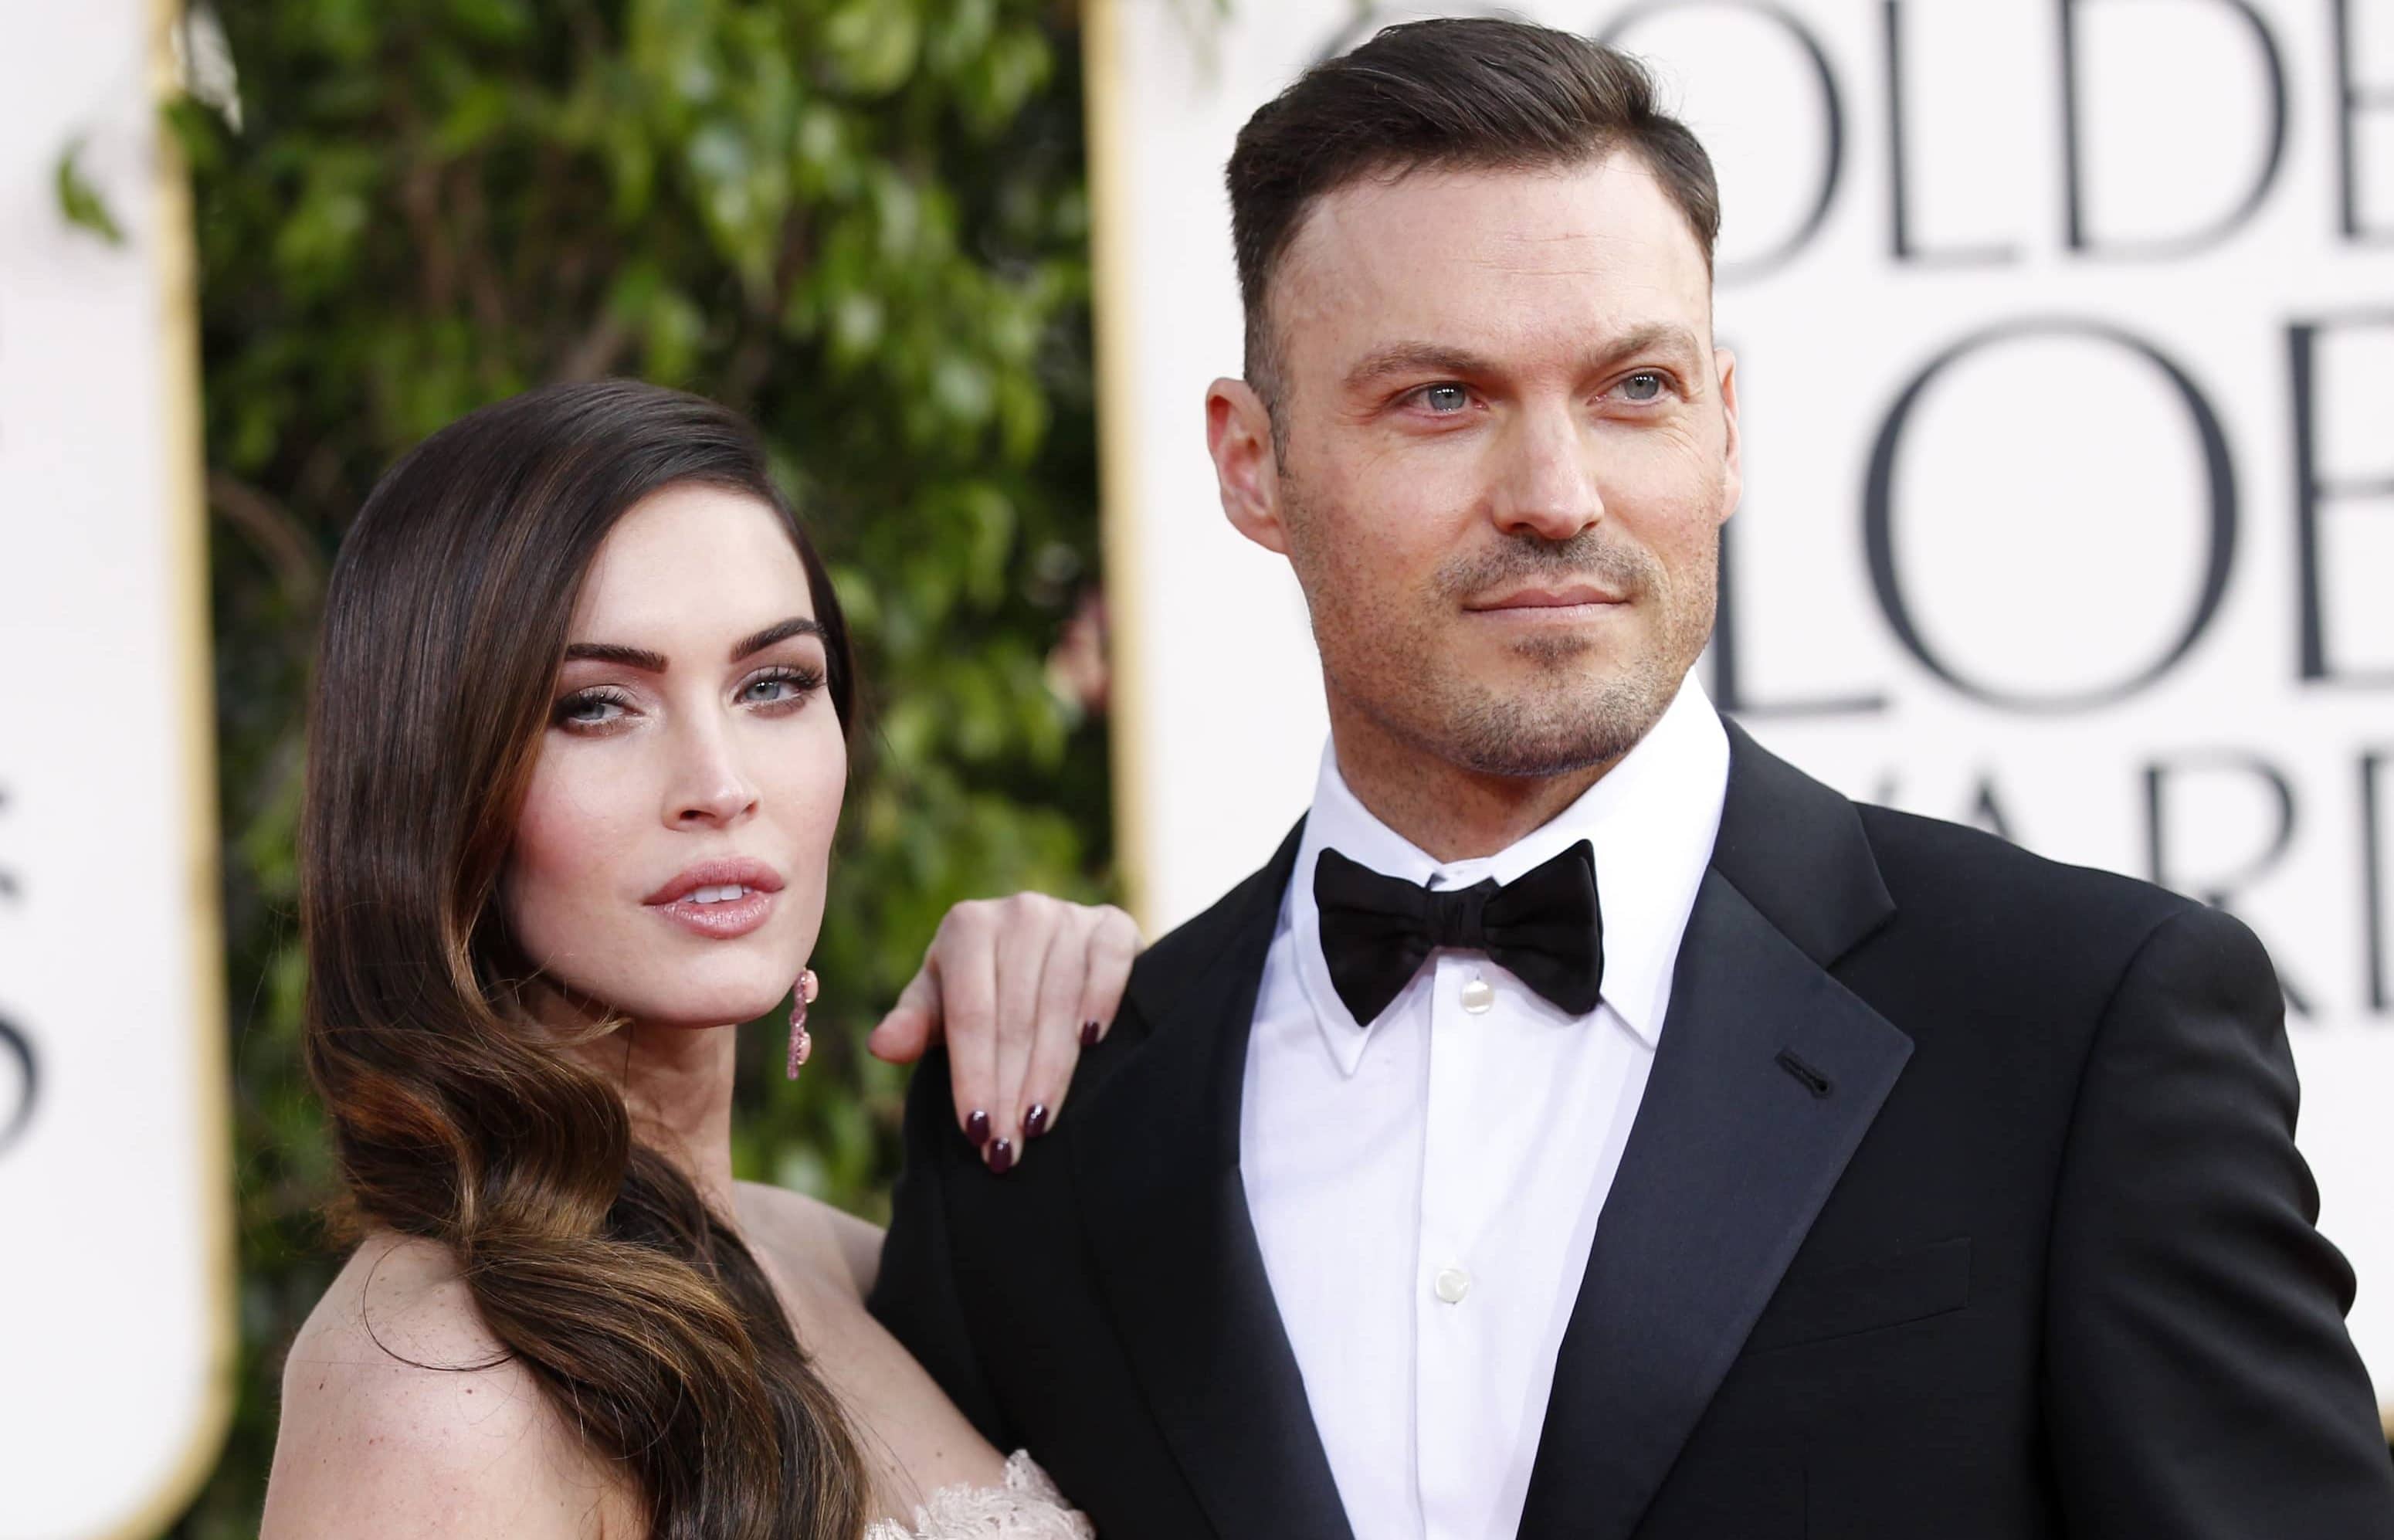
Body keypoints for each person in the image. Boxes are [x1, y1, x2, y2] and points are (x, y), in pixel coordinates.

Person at [870, 19, 2394, 1540]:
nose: (1554, 498)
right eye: (1440, 399)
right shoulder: (1040, 1121)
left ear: (1725, 427)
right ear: (1249, 463)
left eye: (1632, 389)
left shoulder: (2074, 1028)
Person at [259, 380, 1131, 1538]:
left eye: (774, 684)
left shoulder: (838, 1263)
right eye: (597, 706)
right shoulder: (443, 1384)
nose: (721, 784)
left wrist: (1100, 1005)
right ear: (439, 781)